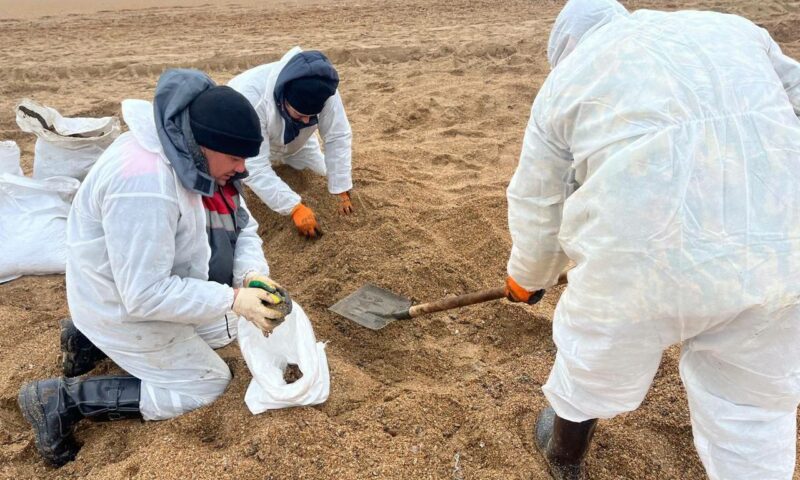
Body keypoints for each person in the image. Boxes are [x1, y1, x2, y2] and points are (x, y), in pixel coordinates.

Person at [503, 1, 800, 479]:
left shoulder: (567, 78)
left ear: (566, 47)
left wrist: (527, 278)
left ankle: (564, 456)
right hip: (779, 248)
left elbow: (540, 203)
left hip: (641, 262)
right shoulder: (735, 30)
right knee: (754, 406)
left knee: (593, 352)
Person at [18, 69, 291, 467]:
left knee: (227, 331)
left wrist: (251, 276)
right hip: (123, 302)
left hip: (165, 284)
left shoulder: (202, 162)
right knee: (207, 384)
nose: (243, 169)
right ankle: (62, 399)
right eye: (235, 158)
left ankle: (84, 340)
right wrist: (233, 298)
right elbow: (144, 294)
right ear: (204, 144)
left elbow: (243, 226)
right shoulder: (145, 183)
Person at [228, 47, 354, 239]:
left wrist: (341, 188)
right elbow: (255, 166)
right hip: (244, 140)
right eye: (300, 115)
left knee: (323, 173)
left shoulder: (325, 90)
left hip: (299, 142)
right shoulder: (251, 100)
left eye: (312, 116)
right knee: (237, 181)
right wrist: (294, 207)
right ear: (283, 98)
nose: (306, 121)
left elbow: (337, 136)